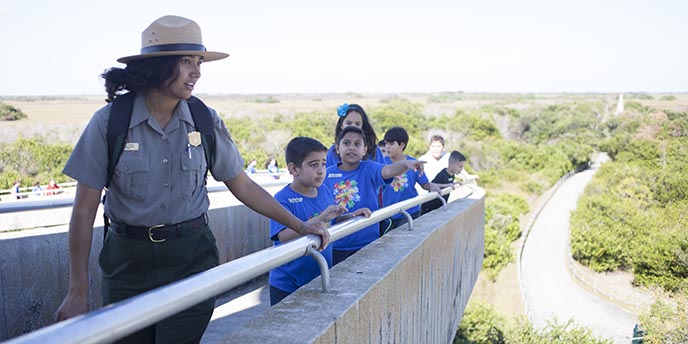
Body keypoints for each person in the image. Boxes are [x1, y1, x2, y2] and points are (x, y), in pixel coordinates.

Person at [54, 15, 329, 344]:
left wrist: (300, 225)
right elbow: (84, 210)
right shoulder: (110, 122)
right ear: (158, 66)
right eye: (186, 62)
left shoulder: (204, 120)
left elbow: (242, 185)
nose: (196, 71)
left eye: (198, 62)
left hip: (191, 258)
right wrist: (77, 290)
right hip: (127, 262)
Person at [269, 137, 370, 305]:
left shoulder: (324, 190)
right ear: (293, 169)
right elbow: (283, 236)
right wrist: (321, 217)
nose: (321, 170)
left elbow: (332, 221)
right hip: (288, 283)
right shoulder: (282, 199)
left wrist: (351, 216)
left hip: (319, 276)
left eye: (323, 164)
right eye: (313, 164)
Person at [324, 126, 425, 265]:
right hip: (336, 244)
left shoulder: (369, 168)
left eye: (357, 144)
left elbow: (388, 170)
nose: (352, 148)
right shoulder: (326, 174)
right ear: (337, 148)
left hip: (367, 242)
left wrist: (406, 164)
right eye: (346, 143)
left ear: (365, 150)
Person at [380, 127, 441, 234]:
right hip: (387, 214)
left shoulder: (413, 163)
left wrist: (432, 186)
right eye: (386, 143)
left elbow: (424, 183)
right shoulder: (381, 164)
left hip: (410, 211)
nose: (387, 147)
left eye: (391, 144)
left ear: (402, 145)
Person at [325, 103, 385, 167]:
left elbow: (384, 173)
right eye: (349, 123)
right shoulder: (333, 151)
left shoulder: (373, 150)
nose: (353, 127)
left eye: (357, 124)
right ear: (341, 125)